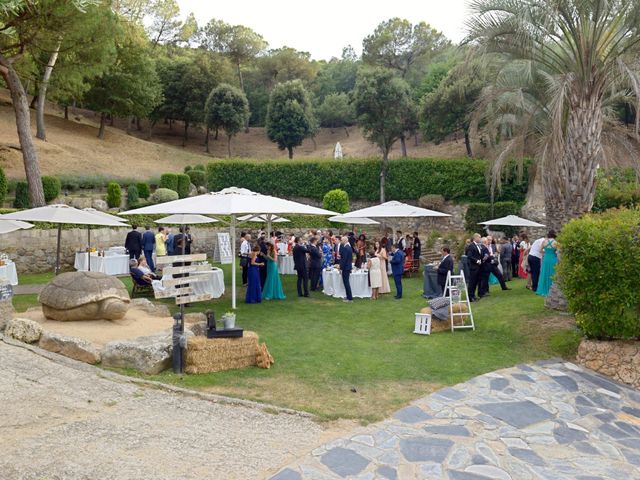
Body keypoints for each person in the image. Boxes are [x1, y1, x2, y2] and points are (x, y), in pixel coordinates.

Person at [536, 231, 559, 297]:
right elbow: (559, 252)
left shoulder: (544, 242)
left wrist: (545, 254)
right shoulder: (556, 243)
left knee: (545, 273)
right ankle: (552, 289)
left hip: (546, 259)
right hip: (553, 259)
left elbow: (540, 250)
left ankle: (543, 289)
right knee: (552, 273)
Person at [465, 233, 484, 302]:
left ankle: (473, 295)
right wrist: (476, 261)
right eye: (479, 237)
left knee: (476, 282)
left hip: (478, 267)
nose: (480, 239)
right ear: (475, 238)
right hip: (473, 267)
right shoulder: (471, 246)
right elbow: (469, 256)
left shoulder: (477, 245)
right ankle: (470, 297)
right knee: (472, 282)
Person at [339, 236, 353, 302]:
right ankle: (348, 296)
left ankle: (349, 298)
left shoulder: (346, 248)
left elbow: (344, 260)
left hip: (345, 267)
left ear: (344, 240)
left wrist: (340, 267)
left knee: (346, 283)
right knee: (346, 282)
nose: (341, 241)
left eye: (341, 240)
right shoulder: (349, 247)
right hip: (348, 266)